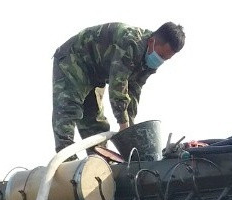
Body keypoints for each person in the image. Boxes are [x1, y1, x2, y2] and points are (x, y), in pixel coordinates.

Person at [51, 21, 186, 152]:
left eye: (165, 59)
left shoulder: (148, 61)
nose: (160, 61)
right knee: (68, 109)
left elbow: (133, 92)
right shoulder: (131, 43)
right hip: (75, 58)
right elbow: (118, 85)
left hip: (96, 74)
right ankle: (65, 160)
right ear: (152, 42)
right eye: (160, 55)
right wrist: (123, 124)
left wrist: (130, 129)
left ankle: (98, 161)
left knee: (95, 123)